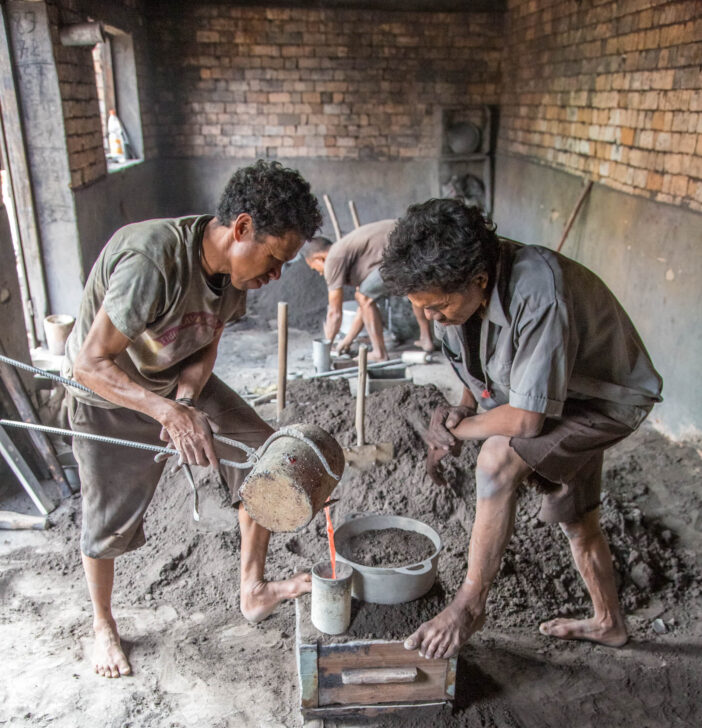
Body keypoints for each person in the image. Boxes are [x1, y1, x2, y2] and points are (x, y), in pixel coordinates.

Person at [64, 160, 322, 678]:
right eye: (274, 259)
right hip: (107, 392)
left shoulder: (233, 274)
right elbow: (88, 363)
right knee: (107, 520)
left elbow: (209, 341)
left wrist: (189, 391)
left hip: (174, 381)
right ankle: (103, 625)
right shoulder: (152, 261)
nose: (274, 276)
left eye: (284, 266)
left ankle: (253, 590)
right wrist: (167, 410)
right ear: (242, 228)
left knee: (265, 460)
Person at [380, 198, 663, 659]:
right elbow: (480, 372)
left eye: (437, 308)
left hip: (602, 399)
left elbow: (529, 419)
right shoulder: (456, 293)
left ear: (478, 280)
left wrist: (463, 429)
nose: (432, 319)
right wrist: (461, 407)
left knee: (496, 460)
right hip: (558, 393)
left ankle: (470, 606)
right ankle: (609, 623)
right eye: (422, 309)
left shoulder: (537, 292)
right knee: (577, 519)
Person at [303, 220, 434, 361]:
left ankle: (379, 353)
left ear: (320, 259)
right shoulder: (350, 253)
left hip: (401, 252)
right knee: (411, 289)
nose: (320, 273)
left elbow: (335, 314)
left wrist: (325, 349)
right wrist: (347, 340)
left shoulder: (332, 260)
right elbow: (363, 308)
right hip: (417, 245)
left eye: (314, 268)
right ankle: (426, 339)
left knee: (364, 296)